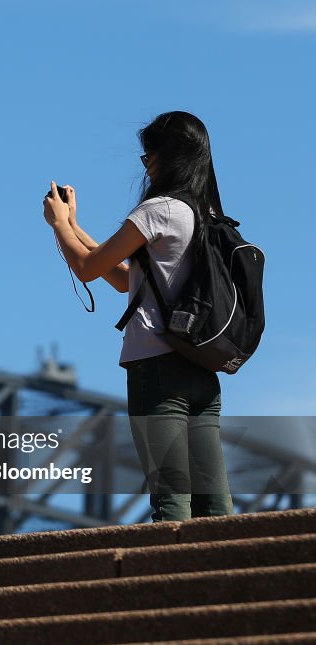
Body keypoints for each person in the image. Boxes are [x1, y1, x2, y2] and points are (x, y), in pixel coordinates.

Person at [43, 111, 233, 522]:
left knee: (171, 501)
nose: (146, 165)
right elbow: (125, 279)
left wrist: (58, 225)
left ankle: (169, 586)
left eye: (148, 155)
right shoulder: (204, 215)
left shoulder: (159, 209)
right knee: (214, 506)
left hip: (156, 370)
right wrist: (74, 225)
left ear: (168, 156)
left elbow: (89, 269)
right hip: (202, 371)